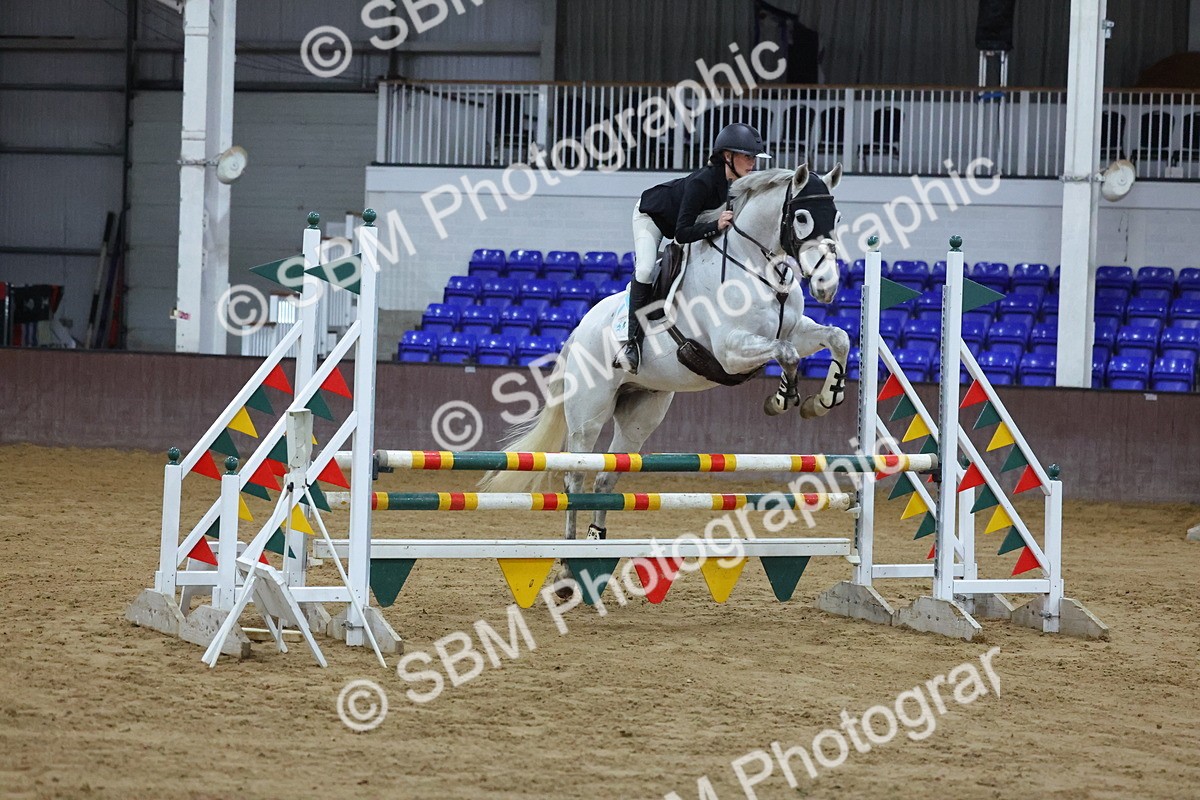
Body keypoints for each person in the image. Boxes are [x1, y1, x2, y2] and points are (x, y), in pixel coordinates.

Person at [615, 122, 771, 374]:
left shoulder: (738, 185)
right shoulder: (703, 182)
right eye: (747, 156)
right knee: (644, 269)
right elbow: (681, 233)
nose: (752, 162)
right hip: (653, 217)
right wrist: (715, 225)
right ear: (727, 156)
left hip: (689, 224)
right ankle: (631, 344)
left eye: (754, 157)